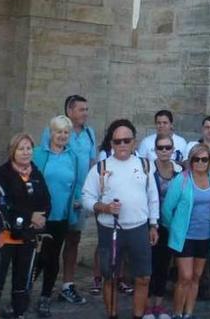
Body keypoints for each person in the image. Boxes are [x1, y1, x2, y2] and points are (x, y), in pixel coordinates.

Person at [82, 119, 160, 319]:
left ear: (134, 142)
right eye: (118, 141)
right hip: (110, 229)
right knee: (110, 277)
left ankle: (138, 315)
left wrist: (153, 224)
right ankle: (112, 315)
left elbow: (153, 196)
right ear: (111, 144)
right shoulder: (100, 168)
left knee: (143, 276)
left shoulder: (145, 165)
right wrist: (104, 207)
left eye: (127, 140)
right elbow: (86, 198)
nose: (122, 145)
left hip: (139, 228)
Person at [40, 95, 97, 306]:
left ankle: (67, 284)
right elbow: (45, 161)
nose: (85, 113)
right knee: (48, 245)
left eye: (86, 109)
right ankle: (37, 287)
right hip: (56, 198)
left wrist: (87, 194)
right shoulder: (52, 131)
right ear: (70, 111)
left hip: (79, 197)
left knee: (74, 239)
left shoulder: (90, 134)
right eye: (82, 109)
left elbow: (92, 163)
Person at [32, 115, 88, 316]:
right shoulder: (38, 154)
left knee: (52, 257)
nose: (62, 135)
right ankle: (23, 292)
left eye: (66, 132)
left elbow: (79, 183)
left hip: (62, 215)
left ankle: (45, 297)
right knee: (35, 257)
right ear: (50, 133)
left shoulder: (73, 157)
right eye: (59, 131)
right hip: (39, 215)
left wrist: (78, 198)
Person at [0, 133, 51, 319]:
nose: (26, 152)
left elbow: (46, 201)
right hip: (6, 236)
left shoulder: (36, 173)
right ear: (12, 151)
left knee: (23, 280)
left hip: (28, 236)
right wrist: (28, 217)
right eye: (21, 148)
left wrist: (41, 218)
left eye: (28, 148)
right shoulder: (1, 174)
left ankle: (19, 313)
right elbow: (2, 204)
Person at [161, 143, 210, 319]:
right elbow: (167, 209)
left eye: (204, 159)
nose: (200, 163)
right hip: (185, 236)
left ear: (209, 161)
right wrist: (174, 228)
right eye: (196, 159)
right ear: (191, 160)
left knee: (196, 277)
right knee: (185, 277)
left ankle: (189, 312)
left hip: (205, 236)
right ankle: (177, 313)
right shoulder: (182, 180)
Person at [147, 133, 183, 319]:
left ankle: (158, 306)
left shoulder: (178, 171)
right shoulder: (148, 170)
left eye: (167, 147)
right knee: (148, 266)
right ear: (155, 150)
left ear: (173, 150)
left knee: (163, 265)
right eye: (160, 147)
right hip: (151, 224)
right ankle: (146, 306)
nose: (164, 151)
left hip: (170, 225)